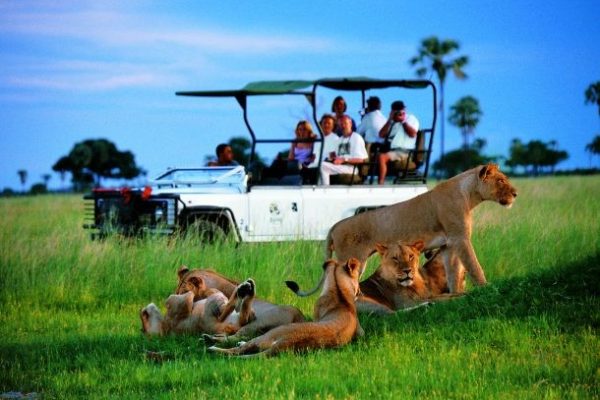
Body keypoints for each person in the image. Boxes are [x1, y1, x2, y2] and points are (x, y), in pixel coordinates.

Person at [377, 101, 420, 184]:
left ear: (404, 109)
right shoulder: (392, 122)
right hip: (391, 149)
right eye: (396, 111)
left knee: (382, 157)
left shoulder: (411, 119)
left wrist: (403, 121)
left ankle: (380, 183)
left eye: (400, 110)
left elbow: (413, 134)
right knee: (376, 153)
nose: (399, 113)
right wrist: (390, 120)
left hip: (404, 150)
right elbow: (381, 134)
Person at [320, 115, 368, 185]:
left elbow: (361, 160)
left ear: (350, 124)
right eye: (341, 124)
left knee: (322, 166)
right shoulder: (339, 140)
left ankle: (326, 190)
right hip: (339, 167)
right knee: (321, 166)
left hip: (351, 168)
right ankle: (324, 189)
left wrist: (344, 159)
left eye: (345, 123)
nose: (343, 126)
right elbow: (336, 157)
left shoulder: (356, 138)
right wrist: (332, 157)